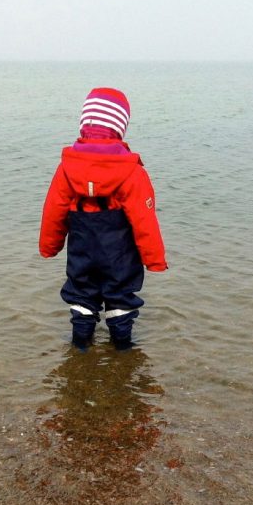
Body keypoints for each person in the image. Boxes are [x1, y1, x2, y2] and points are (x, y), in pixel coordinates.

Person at [39, 87, 167, 350]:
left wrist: (49, 247)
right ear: (120, 127)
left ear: (85, 123)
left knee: (81, 294)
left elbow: (53, 210)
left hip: (81, 249)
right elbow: (145, 221)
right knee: (120, 297)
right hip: (119, 253)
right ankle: (122, 350)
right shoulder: (132, 172)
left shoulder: (66, 168)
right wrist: (154, 260)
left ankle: (81, 347)